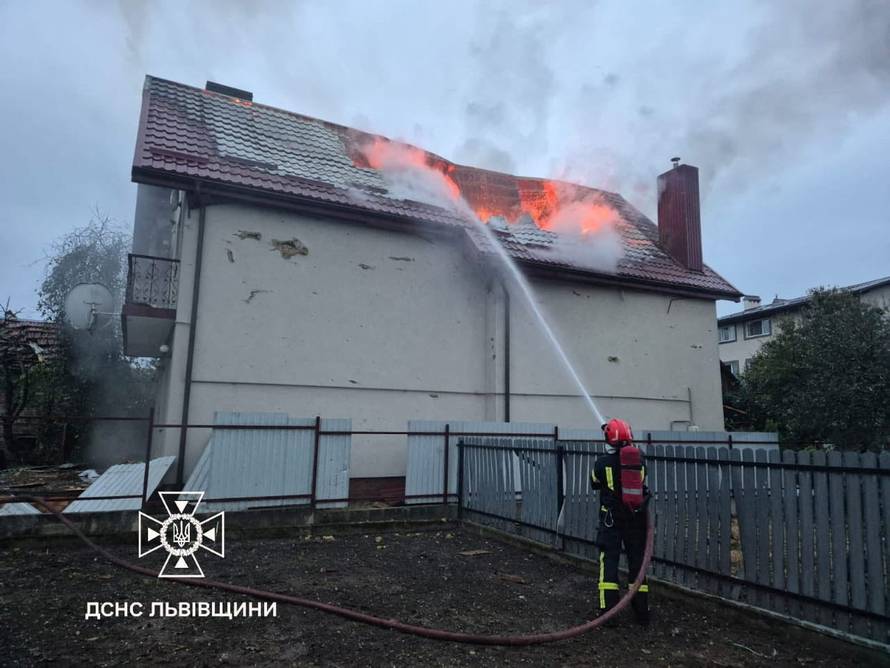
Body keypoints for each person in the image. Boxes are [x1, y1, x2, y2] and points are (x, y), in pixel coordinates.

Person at [590, 417, 650, 625]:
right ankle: (642, 611)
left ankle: (609, 612)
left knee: (609, 562)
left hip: (611, 521)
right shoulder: (639, 461)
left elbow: (594, 483)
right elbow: (641, 481)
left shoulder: (602, 463)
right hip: (636, 519)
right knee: (636, 563)